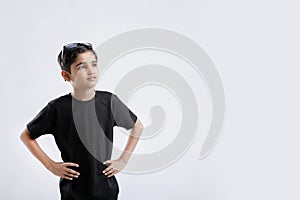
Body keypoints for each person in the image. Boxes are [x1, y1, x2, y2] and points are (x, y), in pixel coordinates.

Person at [20, 42, 144, 200]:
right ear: (66, 75)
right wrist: (51, 166)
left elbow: (137, 126)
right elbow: (26, 136)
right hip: (73, 190)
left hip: (106, 188)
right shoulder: (57, 108)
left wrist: (123, 159)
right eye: (81, 66)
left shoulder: (109, 102)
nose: (91, 71)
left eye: (94, 64)